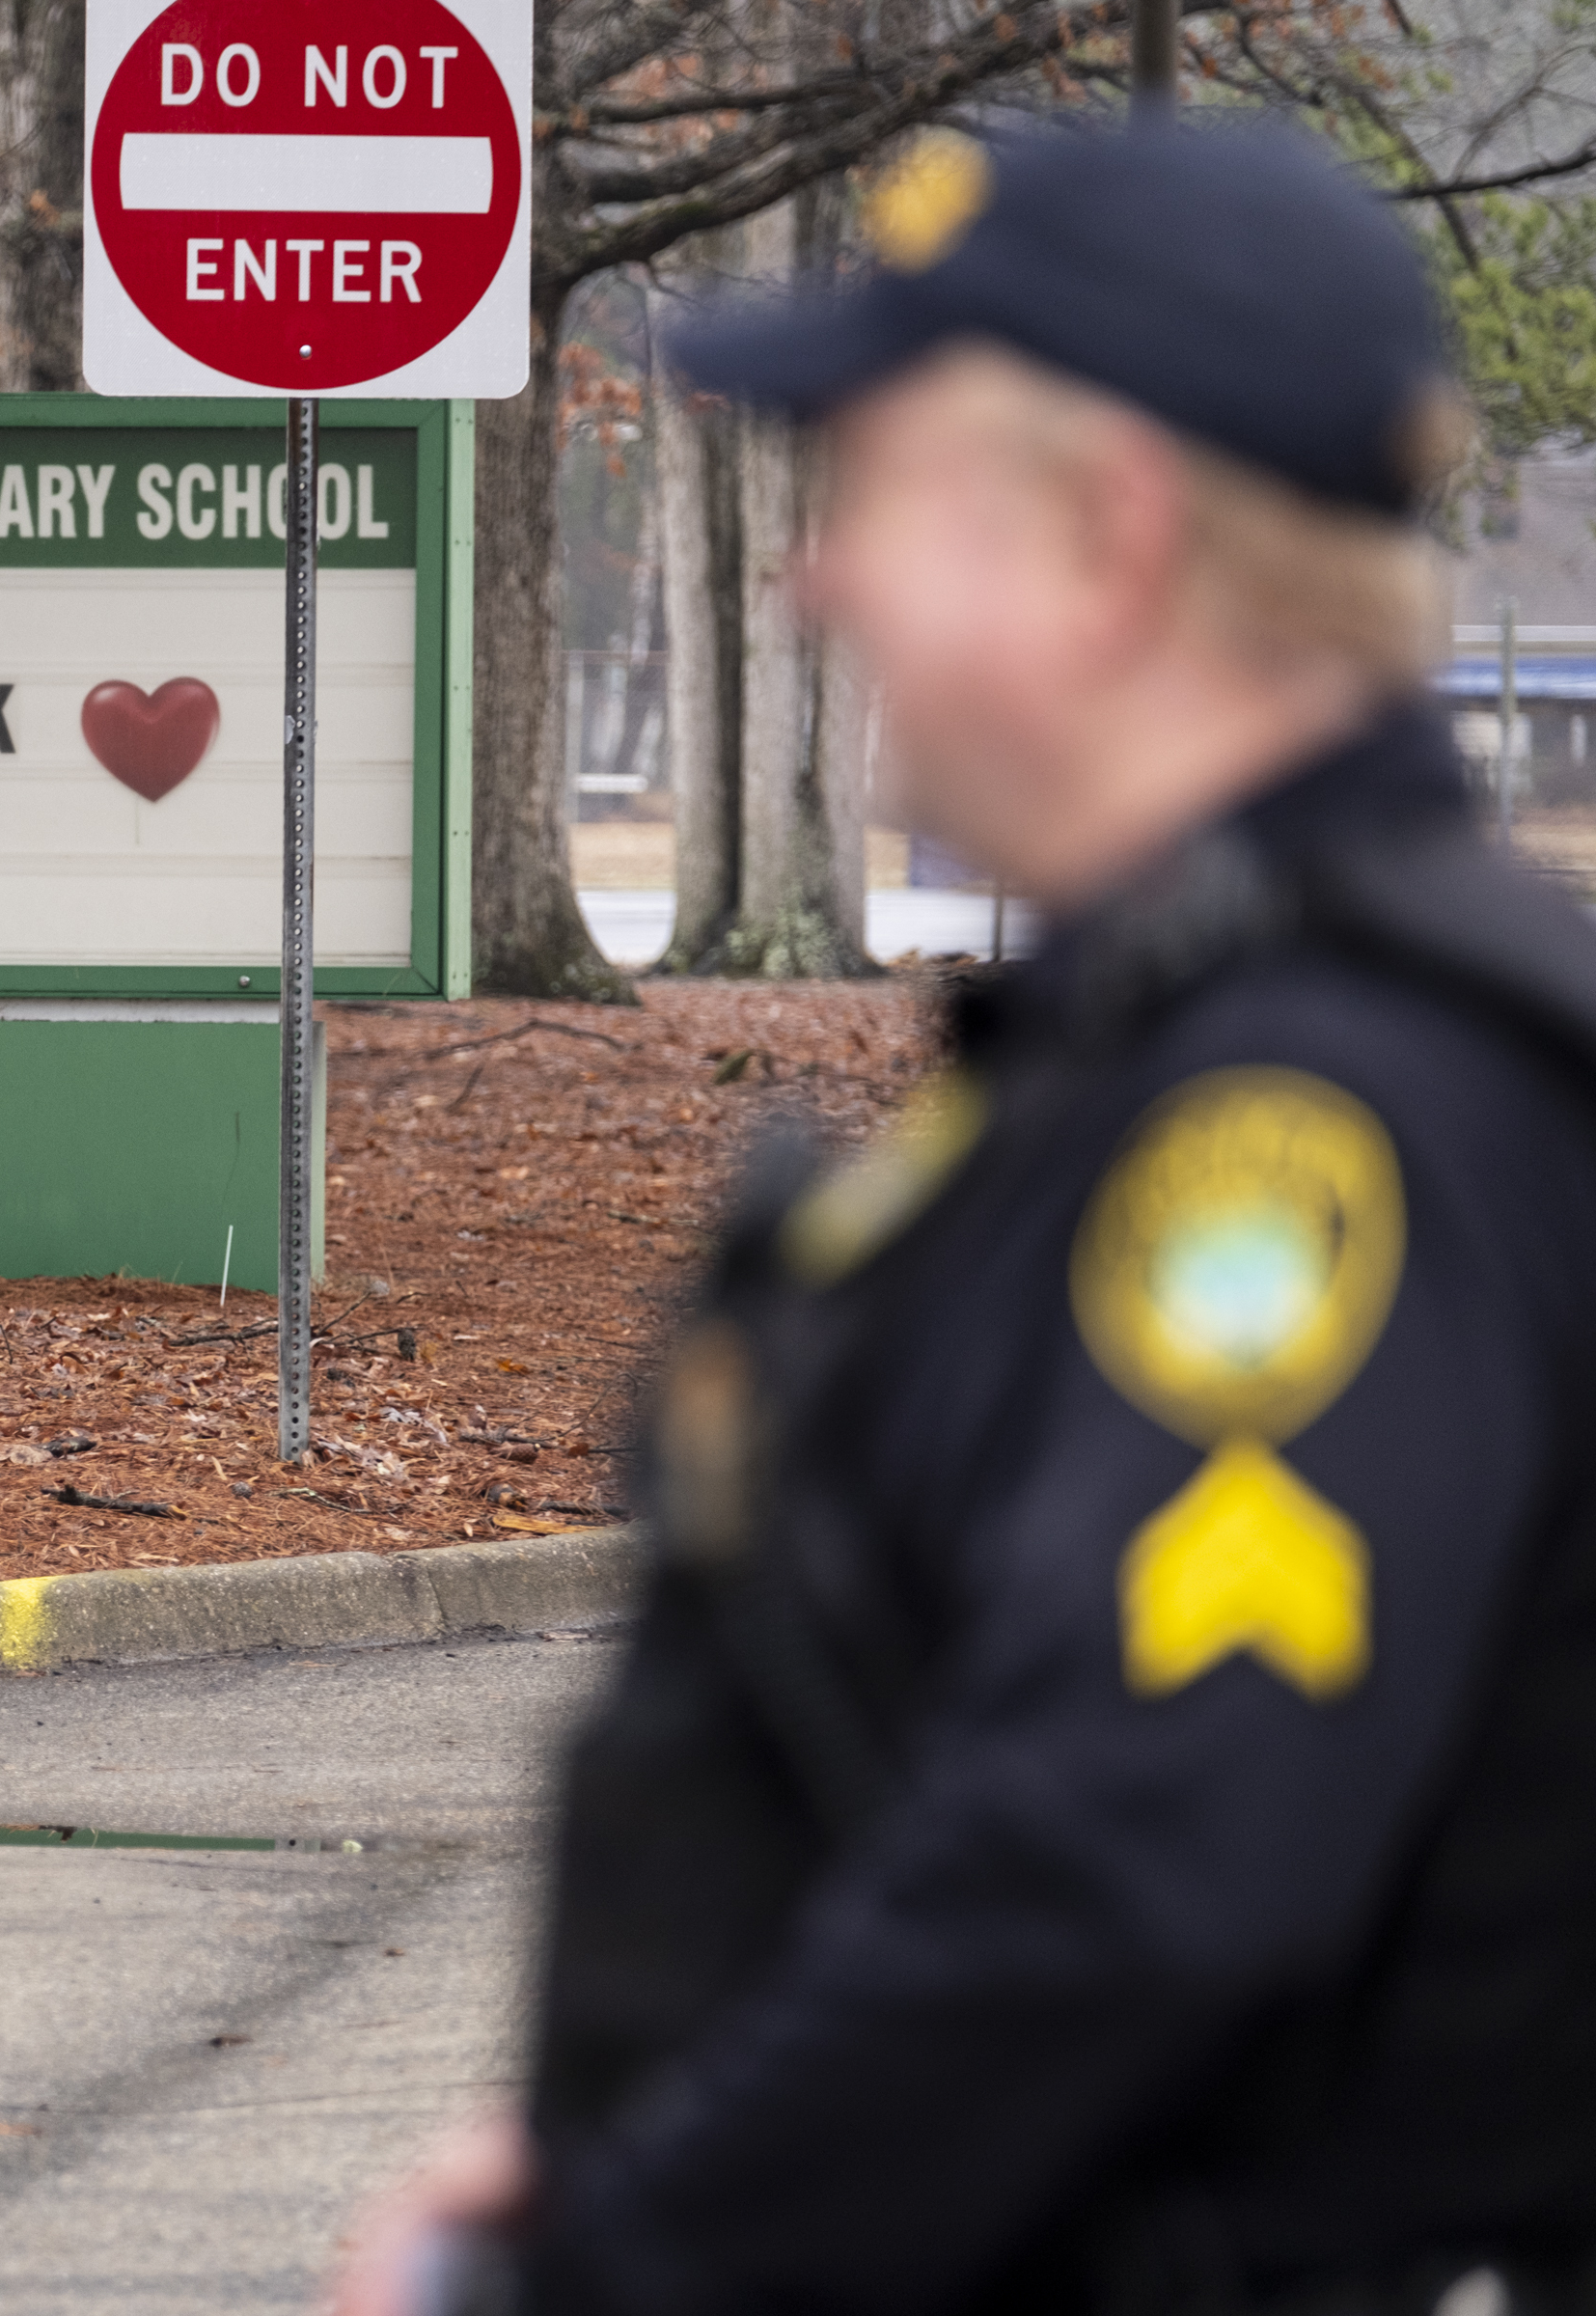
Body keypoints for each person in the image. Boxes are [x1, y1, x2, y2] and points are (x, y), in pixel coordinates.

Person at [335, 120, 1596, 2314]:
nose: (818, 579)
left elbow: (1127, 1876)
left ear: (1110, 535)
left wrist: (619, 2261)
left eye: (882, 492)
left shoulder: (1316, 1121)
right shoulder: (1176, 1038)